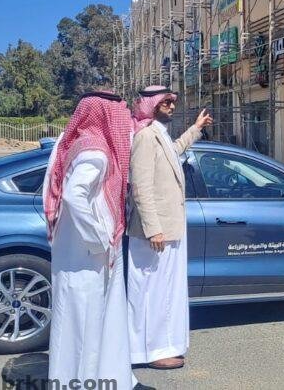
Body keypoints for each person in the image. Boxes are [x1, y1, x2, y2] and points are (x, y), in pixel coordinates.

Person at [43, 90, 138, 389]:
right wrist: (99, 239)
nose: (125, 119)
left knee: (85, 321)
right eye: (120, 113)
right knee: (86, 324)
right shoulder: (96, 151)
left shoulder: (74, 142)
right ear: (106, 115)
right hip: (89, 254)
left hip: (74, 251)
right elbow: (74, 196)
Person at [126, 86, 213, 370]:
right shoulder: (144, 136)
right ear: (151, 105)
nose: (172, 106)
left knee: (166, 291)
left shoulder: (158, 134)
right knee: (152, 292)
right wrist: (153, 229)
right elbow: (141, 187)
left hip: (169, 228)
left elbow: (173, 152)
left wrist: (196, 128)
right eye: (165, 102)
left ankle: (163, 346)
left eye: (173, 102)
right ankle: (150, 351)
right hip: (156, 232)